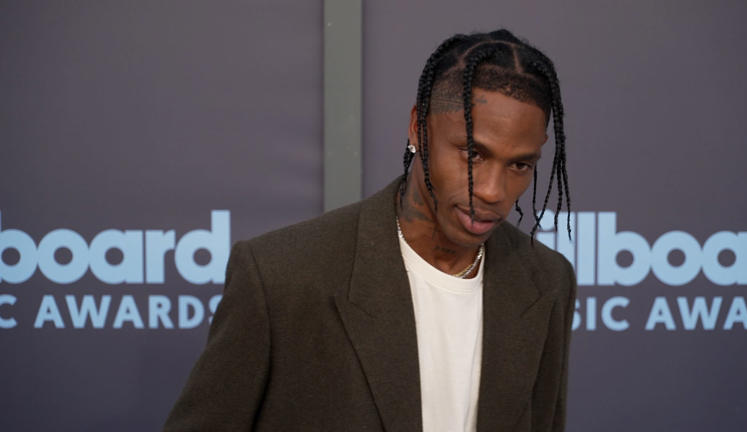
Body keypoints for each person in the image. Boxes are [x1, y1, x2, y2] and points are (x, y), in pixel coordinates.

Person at [164, 29, 576, 432]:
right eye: (472, 153)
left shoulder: (546, 281)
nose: (492, 191)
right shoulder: (280, 277)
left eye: (519, 165)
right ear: (419, 127)